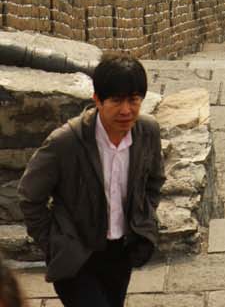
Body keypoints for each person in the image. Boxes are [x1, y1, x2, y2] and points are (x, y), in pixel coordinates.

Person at [18, 52, 165, 307]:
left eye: (133, 100)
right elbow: (30, 196)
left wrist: (143, 218)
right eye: (116, 101)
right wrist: (54, 242)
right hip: (76, 257)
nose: (126, 110)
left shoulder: (147, 132)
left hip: (121, 252)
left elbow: (154, 181)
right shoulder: (66, 142)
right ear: (97, 99)